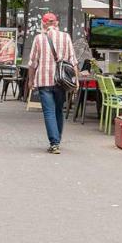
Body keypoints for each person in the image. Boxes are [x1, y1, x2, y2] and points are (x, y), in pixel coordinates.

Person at [28, 12, 75, 154]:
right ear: (57, 23)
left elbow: (32, 63)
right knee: (59, 110)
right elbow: (73, 61)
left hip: (44, 80)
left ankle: (54, 143)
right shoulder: (66, 37)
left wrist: (30, 80)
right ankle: (57, 140)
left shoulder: (39, 38)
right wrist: (76, 81)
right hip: (61, 80)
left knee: (49, 112)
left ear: (43, 24)